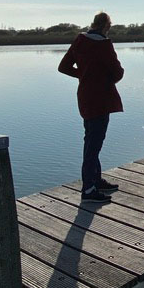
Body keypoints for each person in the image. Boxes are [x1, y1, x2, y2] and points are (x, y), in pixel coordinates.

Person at [58, 12, 125, 202]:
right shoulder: (104, 44)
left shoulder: (80, 41)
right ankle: (88, 190)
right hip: (101, 99)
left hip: (85, 97)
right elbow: (117, 73)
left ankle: (96, 180)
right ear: (106, 27)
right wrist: (99, 78)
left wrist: (84, 75)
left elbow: (63, 67)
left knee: (92, 139)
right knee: (93, 144)